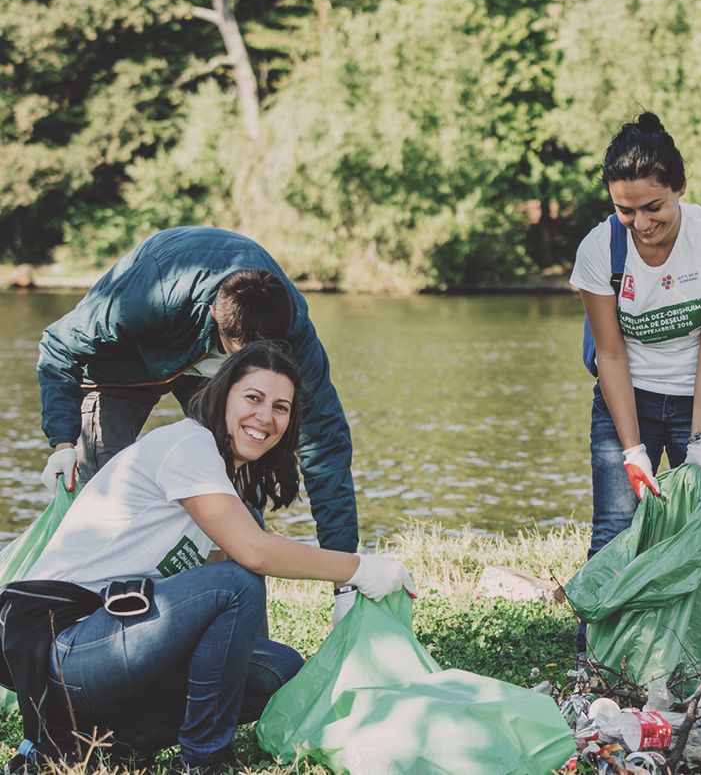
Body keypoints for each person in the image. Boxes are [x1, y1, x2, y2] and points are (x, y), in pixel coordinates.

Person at [8, 341, 415, 773]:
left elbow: (222, 602)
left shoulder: (222, 479)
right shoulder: (188, 445)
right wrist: (359, 569)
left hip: (112, 645)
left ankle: (99, 743)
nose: (266, 417)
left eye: (281, 407)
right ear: (223, 395)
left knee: (276, 670)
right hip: (58, 645)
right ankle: (203, 761)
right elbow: (253, 554)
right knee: (237, 582)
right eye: (253, 398)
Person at [36, 226, 360, 622]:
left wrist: (345, 577)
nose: (254, 364)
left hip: (215, 377)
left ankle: (239, 636)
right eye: (242, 355)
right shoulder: (151, 297)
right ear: (214, 316)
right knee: (109, 496)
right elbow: (59, 345)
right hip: (126, 364)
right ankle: (90, 634)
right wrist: (63, 443)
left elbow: (325, 443)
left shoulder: (294, 331)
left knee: (239, 504)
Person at [569, 112, 701, 658]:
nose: (641, 223)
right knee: (615, 527)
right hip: (629, 397)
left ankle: (693, 652)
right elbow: (610, 354)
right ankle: (599, 655)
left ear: (680, 188)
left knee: (700, 527)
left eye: (653, 207)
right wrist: (632, 450)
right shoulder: (600, 249)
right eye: (625, 210)